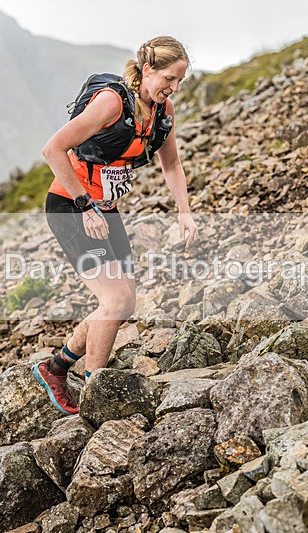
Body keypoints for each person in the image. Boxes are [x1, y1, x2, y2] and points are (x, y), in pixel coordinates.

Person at [34, 36, 199, 415]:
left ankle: (55, 368)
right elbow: (52, 149)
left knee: (124, 301)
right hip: (70, 205)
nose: (173, 88)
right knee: (116, 299)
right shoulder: (111, 103)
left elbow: (171, 165)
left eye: (180, 82)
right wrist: (85, 205)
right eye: (169, 79)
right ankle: (96, 394)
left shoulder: (162, 111)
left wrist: (184, 211)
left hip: (104, 209)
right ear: (148, 70)